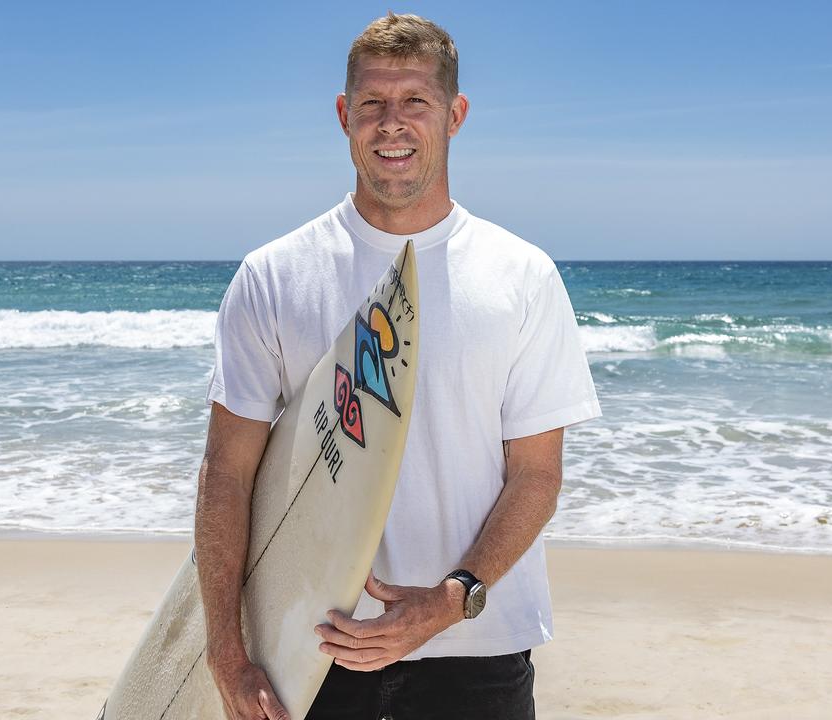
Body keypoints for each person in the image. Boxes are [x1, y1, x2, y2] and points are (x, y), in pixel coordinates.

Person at [195, 12, 601, 720]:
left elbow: (536, 474)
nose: (392, 124)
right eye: (373, 105)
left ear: (455, 115)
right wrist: (227, 654)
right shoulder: (274, 276)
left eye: (415, 101)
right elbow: (227, 471)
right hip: (306, 651)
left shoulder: (521, 276)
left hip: (478, 653)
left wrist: (451, 600)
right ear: (343, 114)